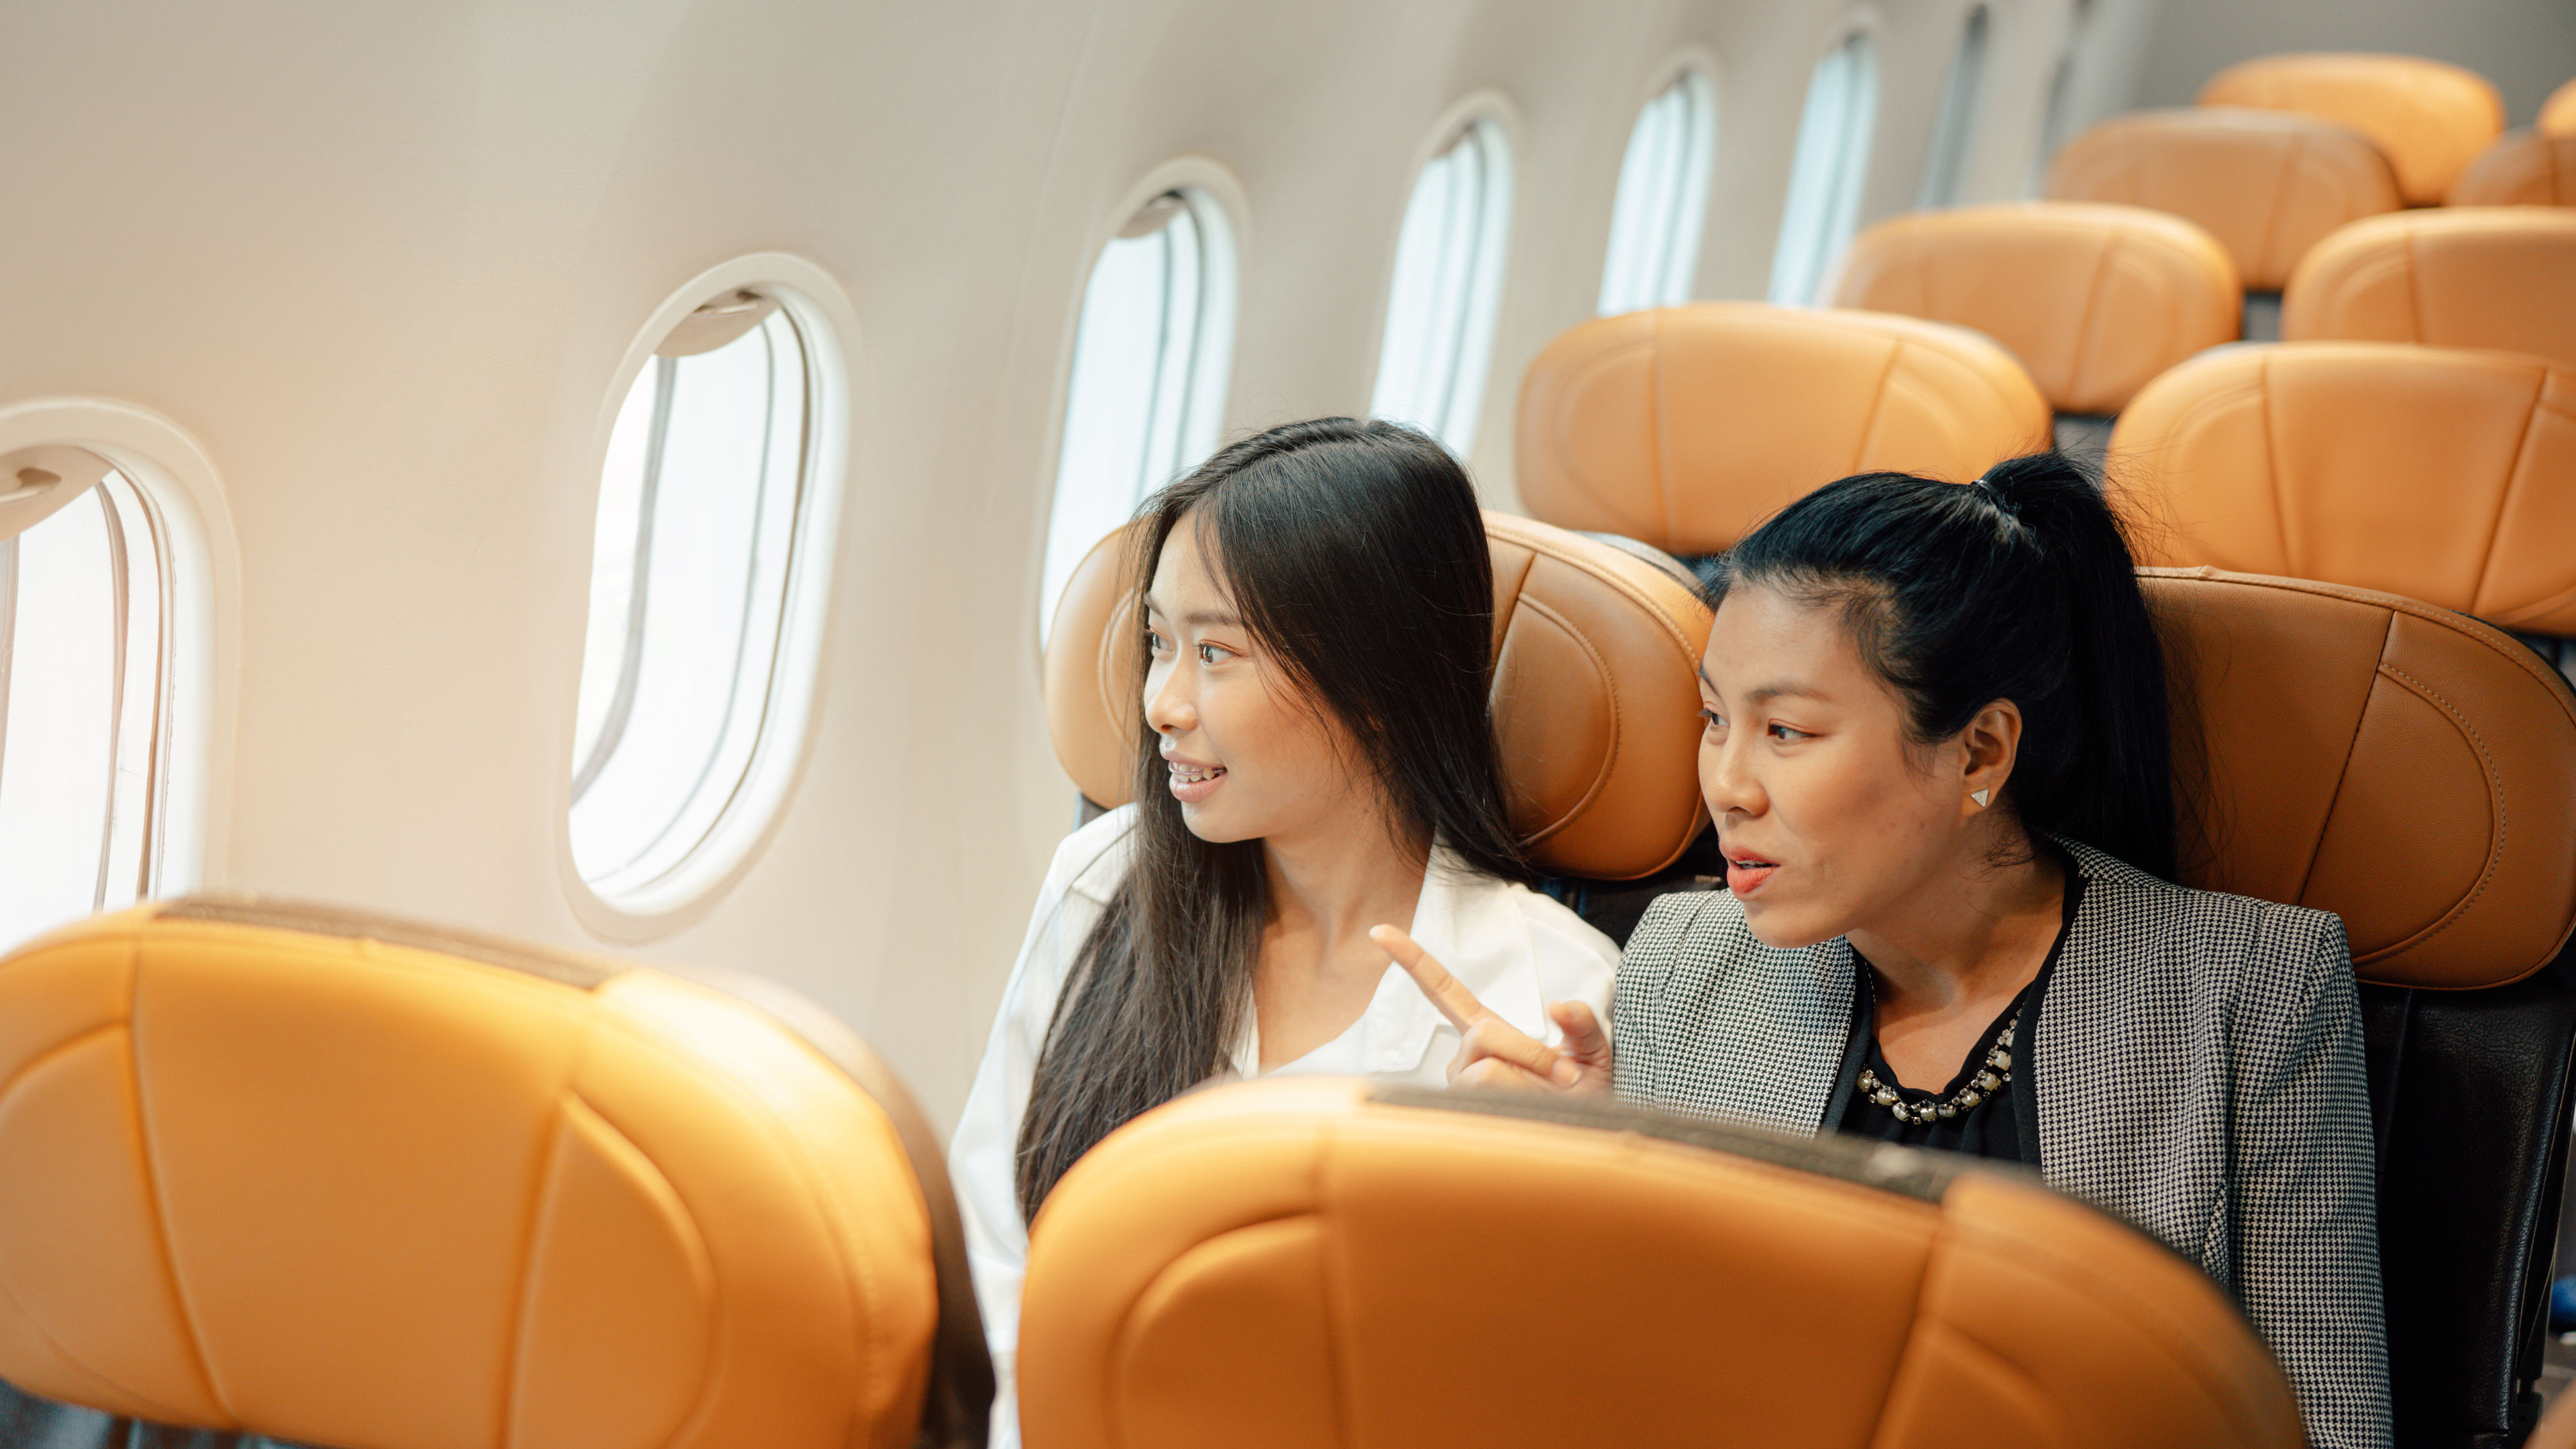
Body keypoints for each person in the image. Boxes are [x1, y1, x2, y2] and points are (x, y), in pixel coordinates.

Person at [1389, 453, 2391, 1449]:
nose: (1728, 784)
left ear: (1981, 752)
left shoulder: (2251, 987)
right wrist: (1585, 1186)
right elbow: (1650, 1389)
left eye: (1784, 729)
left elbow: (2326, 1421)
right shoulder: (1687, 965)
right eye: (1712, 719)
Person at [951, 418, 1619, 1443]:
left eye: (1215, 652)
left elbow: (1535, 1393)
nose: (1160, 703)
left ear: (1379, 682)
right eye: (1158, 644)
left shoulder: (1552, 999)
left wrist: (1566, 1201)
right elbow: (992, 1251)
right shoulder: (1107, 881)